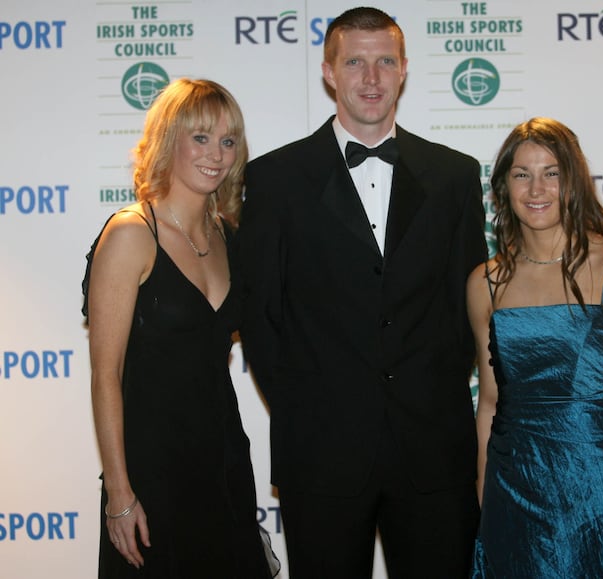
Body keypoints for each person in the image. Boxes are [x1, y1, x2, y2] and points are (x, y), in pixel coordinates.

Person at [236, 6, 487, 579]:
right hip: (320, 453)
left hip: (433, 452)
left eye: (384, 63)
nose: (370, 78)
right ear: (328, 71)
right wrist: (312, 405)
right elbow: (262, 316)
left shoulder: (454, 176)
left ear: (404, 71)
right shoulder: (274, 180)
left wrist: (431, 395)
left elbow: (467, 309)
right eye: (355, 62)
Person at [468, 117, 603, 579]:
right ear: (504, 186)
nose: (536, 187)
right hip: (512, 497)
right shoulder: (486, 282)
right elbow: (488, 405)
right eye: (522, 173)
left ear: (574, 182)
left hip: (600, 497)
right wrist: (487, 503)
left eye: (552, 172)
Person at [82, 78, 270, 577]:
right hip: (151, 468)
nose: (217, 154)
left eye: (228, 141)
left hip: (224, 459)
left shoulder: (227, 235)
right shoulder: (131, 234)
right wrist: (120, 494)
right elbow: (106, 374)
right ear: (170, 139)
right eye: (201, 137)